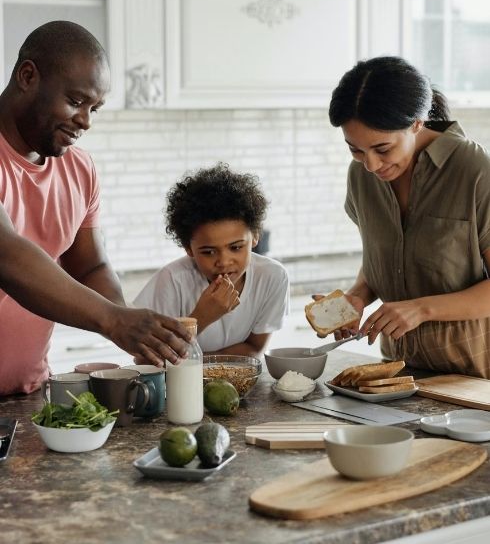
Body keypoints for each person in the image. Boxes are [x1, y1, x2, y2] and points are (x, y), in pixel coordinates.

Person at [0, 21, 190, 396]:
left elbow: (90, 265)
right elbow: (6, 256)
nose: (85, 120)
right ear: (27, 76)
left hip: (27, 396)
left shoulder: (78, 167)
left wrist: (133, 327)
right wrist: (113, 320)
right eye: (75, 101)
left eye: (94, 108)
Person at [328, 55, 490, 378]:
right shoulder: (360, 177)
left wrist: (421, 309)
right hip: (397, 376)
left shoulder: (474, 171)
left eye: (383, 149)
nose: (371, 165)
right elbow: (383, 260)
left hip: (474, 380)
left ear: (417, 123)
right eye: (355, 150)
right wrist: (357, 297)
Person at [134, 163, 289, 357]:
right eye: (208, 252)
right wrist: (202, 317)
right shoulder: (172, 281)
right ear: (188, 248)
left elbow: (254, 348)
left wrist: (201, 364)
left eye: (236, 247)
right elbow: (145, 359)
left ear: (255, 236)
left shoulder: (272, 276)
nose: (223, 261)